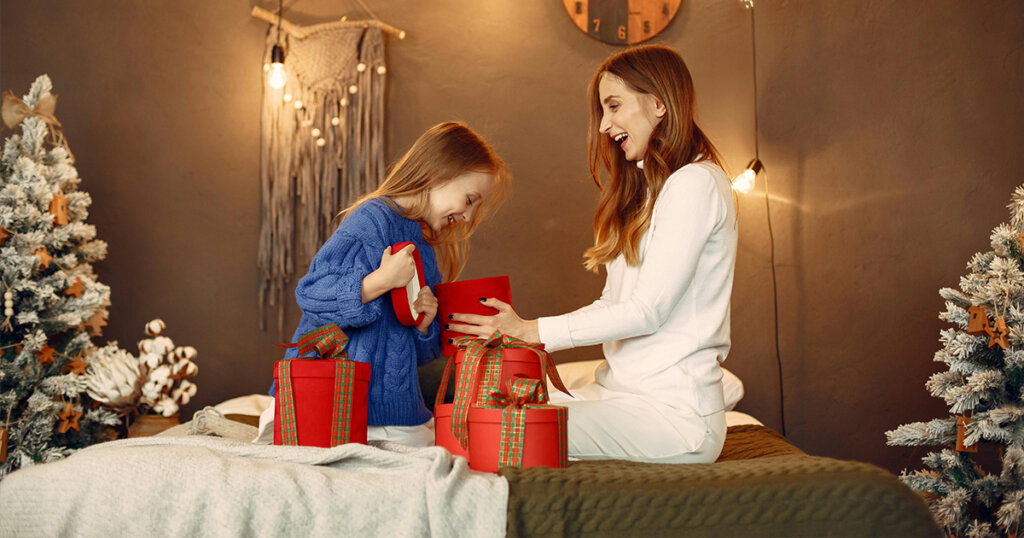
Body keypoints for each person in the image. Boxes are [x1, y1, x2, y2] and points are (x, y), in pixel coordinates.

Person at [448, 45, 737, 463]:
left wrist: (532, 331)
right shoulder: (650, 196)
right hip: (623, 398)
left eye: (614, 106)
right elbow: (615, 303)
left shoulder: (696, 184)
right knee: (484, 406)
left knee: (493, 428)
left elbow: (647, 311)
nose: (605, 125)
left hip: (674, 418)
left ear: (658, 103)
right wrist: (525, 336)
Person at [256, 121, 510, 446]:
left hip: (395, 407)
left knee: (435, 451)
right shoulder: (371, 220)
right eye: (470, 199)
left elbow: (416, 353)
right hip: (327, 395)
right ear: (438, 174)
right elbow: (311, 294)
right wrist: (379, 281)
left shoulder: (425, 250)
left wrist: (424, 324)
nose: (468, 216)